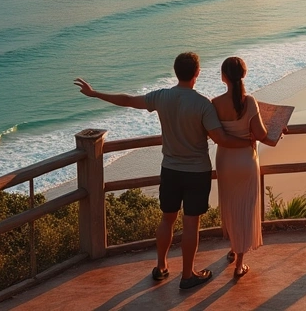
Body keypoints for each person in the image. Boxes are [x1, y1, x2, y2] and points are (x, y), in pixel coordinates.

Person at [75, 52, 251, 290]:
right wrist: (248, 142)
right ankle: (187, 275)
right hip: (196, 172)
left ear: (176, 72)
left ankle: (161, 267)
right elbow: (221, 138)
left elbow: (128, 100)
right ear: (197, 73)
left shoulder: (161, 97)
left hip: (170, 169)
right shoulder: (203, 104)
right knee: (191, 224)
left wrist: (95, 93)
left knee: (167, 219)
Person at [213, 56, 278, 278]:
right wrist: (277, 130)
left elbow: (213, 134)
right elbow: (261, 134)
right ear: (244, 75)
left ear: (223, 77)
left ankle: (233, 247)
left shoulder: (215, 103)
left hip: (225, 161)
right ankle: (239, 264)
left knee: (230, 206)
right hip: (246, 160)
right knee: (246, 209)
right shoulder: (249, 102)